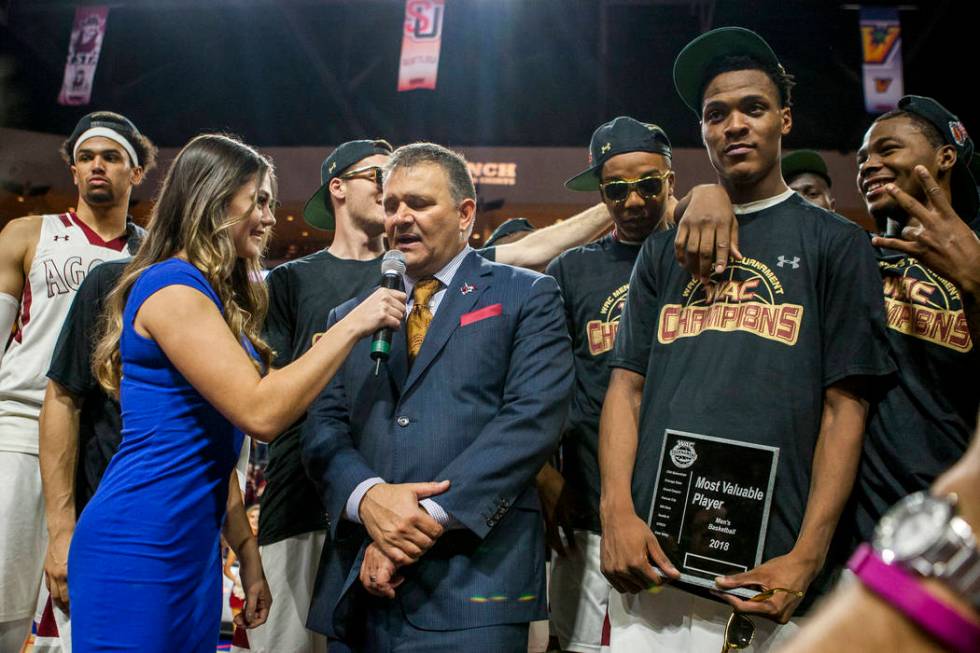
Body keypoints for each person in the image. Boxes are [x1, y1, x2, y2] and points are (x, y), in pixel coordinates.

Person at [598, 27, 893, 651]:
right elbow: (625, 387)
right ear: (702, 133)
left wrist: (809, 556)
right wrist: (616, 512)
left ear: (785, 120)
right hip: (653, 561)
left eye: (752, 108)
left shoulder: (837, 245)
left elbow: (847, 410)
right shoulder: (662, 249)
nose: (734, 125)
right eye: (716, 114)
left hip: (768, 574)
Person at [255, 138, 612, 653]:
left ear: (466, 213)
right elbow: (322, 431)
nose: (400, 217)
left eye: (419, 204)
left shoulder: (526, 294)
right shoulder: (349, 316)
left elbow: (530, 422)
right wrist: (368, 499)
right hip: (360, 587)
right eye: (391, 203)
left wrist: (415, 525)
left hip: (475, 587)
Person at [67, 133, 406, 651]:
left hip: (190, 547)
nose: (271, 217)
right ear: (214, 198)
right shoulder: (172, 289)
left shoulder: (206, 294)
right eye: (261, 200)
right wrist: (354, 322)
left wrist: (247, 556)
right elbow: (260, 412)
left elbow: (209, 446)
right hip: (139, 543)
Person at [0, 111, 152, 651]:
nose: (96, 166)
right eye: (86, 157)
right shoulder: (27, 234)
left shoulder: (155, 256)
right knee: (5, 608)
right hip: (19, 431)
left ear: (136, 173)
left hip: (109, 449)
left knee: (73, 622)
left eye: (111, 157)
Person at [540, 115, 675, 653]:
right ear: (601, 193)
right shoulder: (571, 270)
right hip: (588, 507)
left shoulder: (696, 256)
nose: (634, 200)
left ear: (672, 179)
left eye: (648, 184)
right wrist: (543, 477)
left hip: (675, 505)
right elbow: (538, 384)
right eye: (617, 189)